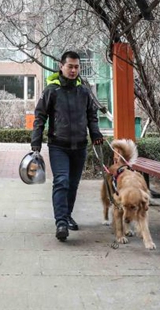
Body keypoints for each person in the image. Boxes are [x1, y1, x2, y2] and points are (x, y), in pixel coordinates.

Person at [31, 51, 104, 241]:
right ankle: (61, 223)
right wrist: (36, 142)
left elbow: (92, 115)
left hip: (80, 146)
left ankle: (67, 215)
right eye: (70, 66)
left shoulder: (84, 91)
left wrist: (95, 133)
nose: (73, 70)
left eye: (76, 67)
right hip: (58, 145)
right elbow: (40, 117)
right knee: (61, 181)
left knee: (72, 184)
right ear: (61, 66)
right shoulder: (52, 90)